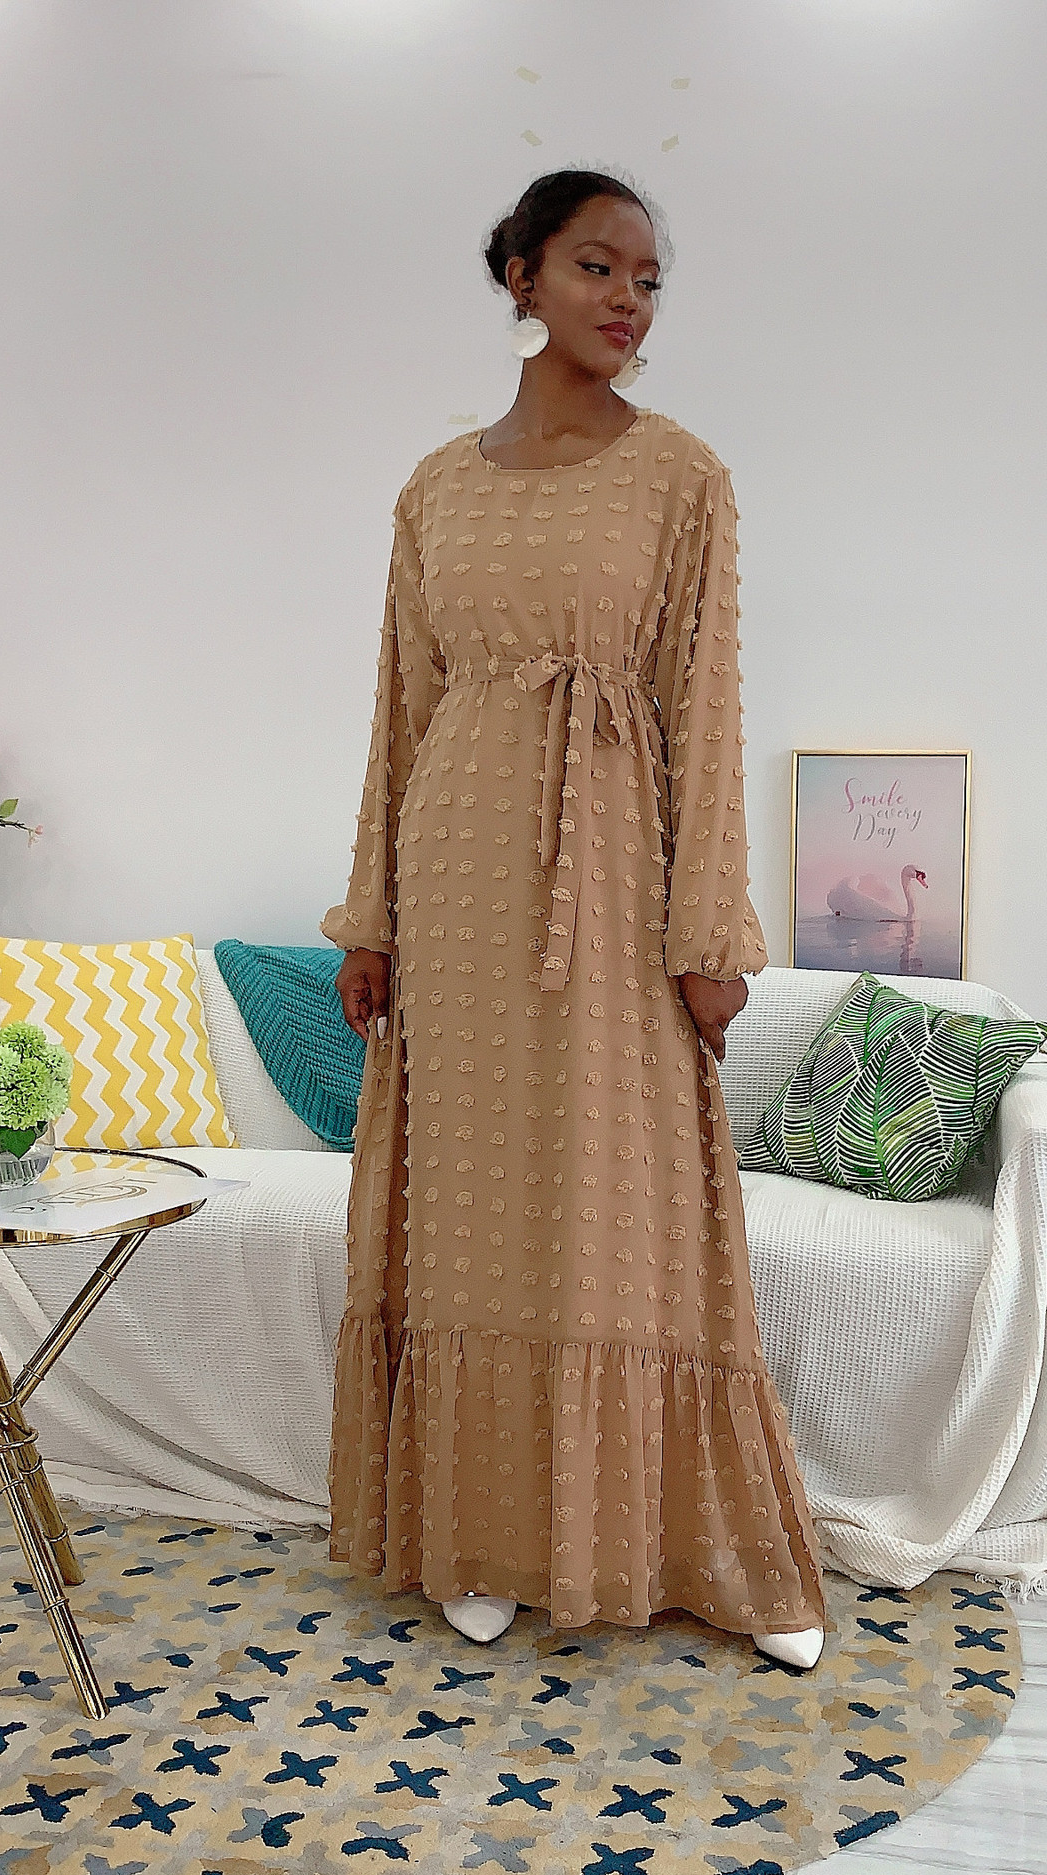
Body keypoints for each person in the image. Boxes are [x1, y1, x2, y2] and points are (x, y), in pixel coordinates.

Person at [323, 169, 826, 1670]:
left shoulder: (683, 476)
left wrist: (708, 931)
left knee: (631, 1214)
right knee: (469, 1221)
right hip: (458, 880)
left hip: (614, 878)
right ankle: (478, 1537)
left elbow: (705, 709)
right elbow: (401, 707)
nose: (629, 301)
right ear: (522, 278)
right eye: (599, 268)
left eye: (649, 280)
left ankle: (709, 1554)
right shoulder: (435, 487)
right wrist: (372, 918)